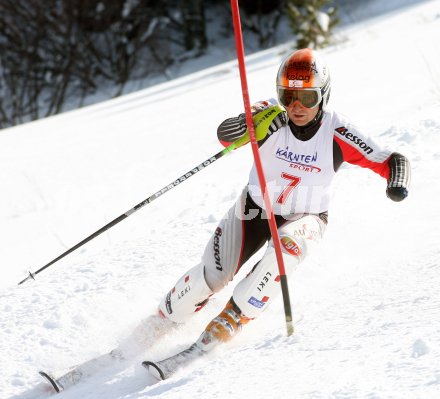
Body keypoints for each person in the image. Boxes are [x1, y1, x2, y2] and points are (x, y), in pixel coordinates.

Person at [156, 48, 411, 352]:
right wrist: (247, 125)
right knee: (211, 276)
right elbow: (225, 135)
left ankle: (230, 321)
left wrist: (396, 183)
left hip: (306, 217)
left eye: (307, 98)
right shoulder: (271, 114)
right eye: (287, 96)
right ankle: (162, 320)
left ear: (323, 95)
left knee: (283, 251)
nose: (296, 106)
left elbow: (392, 160)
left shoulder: (338, 131)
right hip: (254, 209)